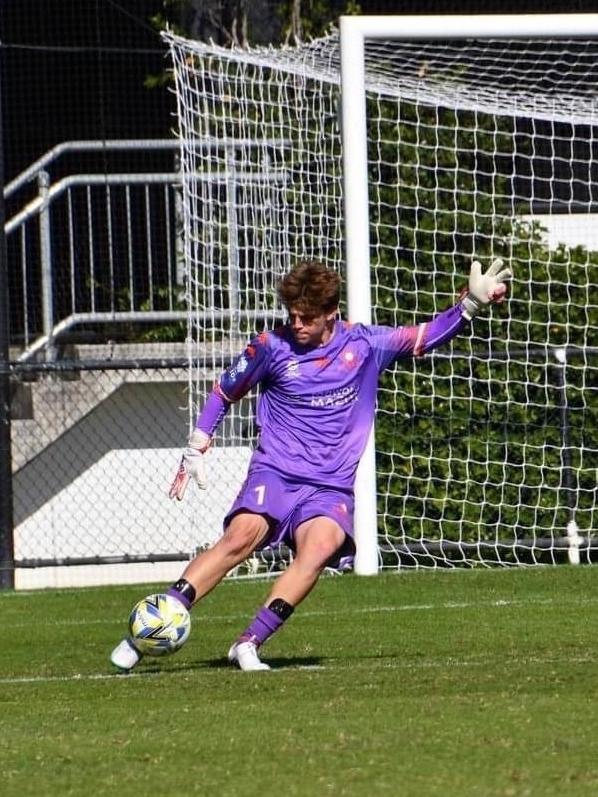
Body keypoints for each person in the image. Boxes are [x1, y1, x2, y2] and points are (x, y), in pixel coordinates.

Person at [110, 257, 512, 672]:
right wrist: (197, 445)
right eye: (292, 315)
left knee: (320, 548)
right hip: (276, 472)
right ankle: (144, 634)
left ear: (330, 315)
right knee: (241, 537)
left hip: (330, 484)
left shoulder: (365, 345)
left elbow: (423, 336)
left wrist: (469, 308)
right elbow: (223, 392)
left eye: (306, 317)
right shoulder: (270, 347)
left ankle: (248, 643)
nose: (297, 324)